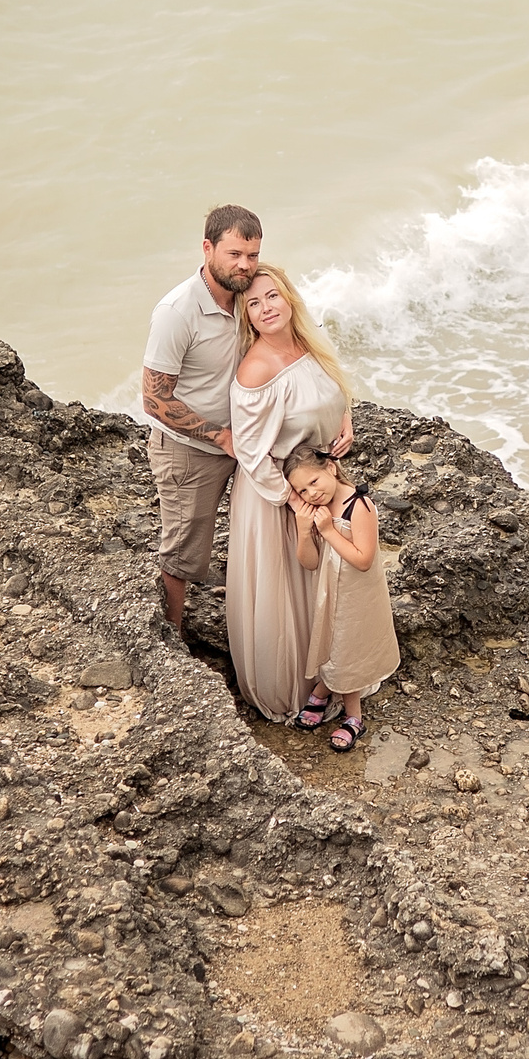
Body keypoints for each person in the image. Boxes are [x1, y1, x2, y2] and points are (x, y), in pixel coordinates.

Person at [224, 263, 353, 722]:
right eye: (253, 304)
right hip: (276, 496)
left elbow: (332, 388)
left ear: (289, 297)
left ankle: (335, 676)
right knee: (288, 596)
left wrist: (344, 420)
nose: (265, 309)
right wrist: (295, 501)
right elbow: (252, 455)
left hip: (316, 481)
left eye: (271, 297)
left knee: (328, 586)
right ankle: (293, 693)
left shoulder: (309, 341)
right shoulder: (256, 371)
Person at [141, 206, 265, 627]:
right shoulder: (177, 312)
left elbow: (296, 343)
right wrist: (220, 437)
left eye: (252, 255)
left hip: (246, 439)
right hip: (190, 450)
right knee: (185, 552)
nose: (244, 265)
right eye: (234, 254)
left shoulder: (252, 294)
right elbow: (154, 400)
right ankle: (171, 641)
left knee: (264, 536)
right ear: (208, 248)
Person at [285, 447, 399, 752]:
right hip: (328, 591)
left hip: (357, 593)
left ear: (332, 468)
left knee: (348, 649)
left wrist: (327, 530)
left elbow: (363, 560)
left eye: (314, 481)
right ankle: (323, 688)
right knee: (332, 644)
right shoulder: (313, 510)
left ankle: (354, 717)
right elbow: (309, 562)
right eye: (302, 489)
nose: (311, 492)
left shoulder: (359, 506)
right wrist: (304, 530)